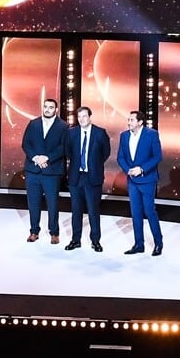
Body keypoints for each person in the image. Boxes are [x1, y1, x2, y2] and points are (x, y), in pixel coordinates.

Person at [63, 106, 111, 252]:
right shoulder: (71, 133)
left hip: (93, 177)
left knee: (93, 211)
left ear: (90, 117)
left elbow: (105, 153)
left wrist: (93, 164)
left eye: (84, 116)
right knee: (76, 211)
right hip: (76, 178)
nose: (82, 119)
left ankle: (95, 241)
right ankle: (75, 240)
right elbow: (68, 151)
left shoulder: (100, 133)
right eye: (79, 117)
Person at [21, 98, 69, 243]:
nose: (47, 109)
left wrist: (47, 158)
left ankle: (54, 232)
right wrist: (36, 157)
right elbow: (25, 143)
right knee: (33, 203)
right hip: (33, 170)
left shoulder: (63, 126)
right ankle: (34, 231)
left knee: (53, 203)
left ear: (56, 110)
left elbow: (63, 147)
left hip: (52, 171)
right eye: (45, 107)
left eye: (51, 107)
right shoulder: (33, 123)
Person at [117, 109, 164, 256]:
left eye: (131, 120)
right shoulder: (124, 136)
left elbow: (157, 156)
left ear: (140, 122)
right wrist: (128, 170)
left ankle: (158, 243)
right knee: (135, 213)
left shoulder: (151, 134)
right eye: (128, 120)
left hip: (147, 179)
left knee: (149, 211)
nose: (128, 122)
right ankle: (139, 244)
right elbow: (120, 157)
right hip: (132, 180)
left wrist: (142, 169)